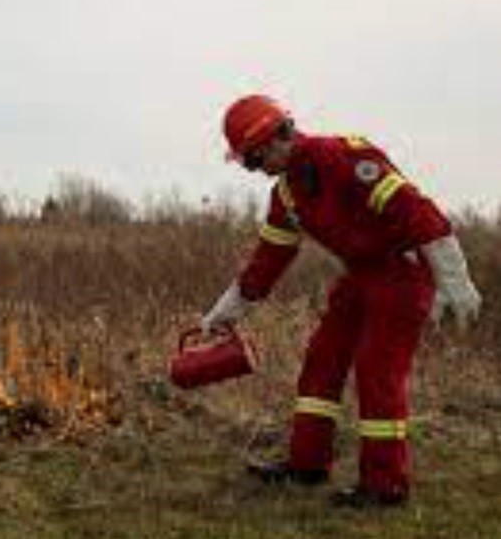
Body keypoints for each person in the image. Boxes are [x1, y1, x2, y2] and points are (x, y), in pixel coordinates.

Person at [198, 94, 482, 508]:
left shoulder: (345, 157)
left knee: (376, 370)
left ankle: (386, 487)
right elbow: (268, 261)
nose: (255, 171)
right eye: (247, 164)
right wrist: (225, 312)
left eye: (255, 160)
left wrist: (453, 278)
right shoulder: (287, 196)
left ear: (280, 137)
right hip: (362, 275)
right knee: (322, 358)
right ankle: (307, 464)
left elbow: (416, 211)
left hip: (403, 271)